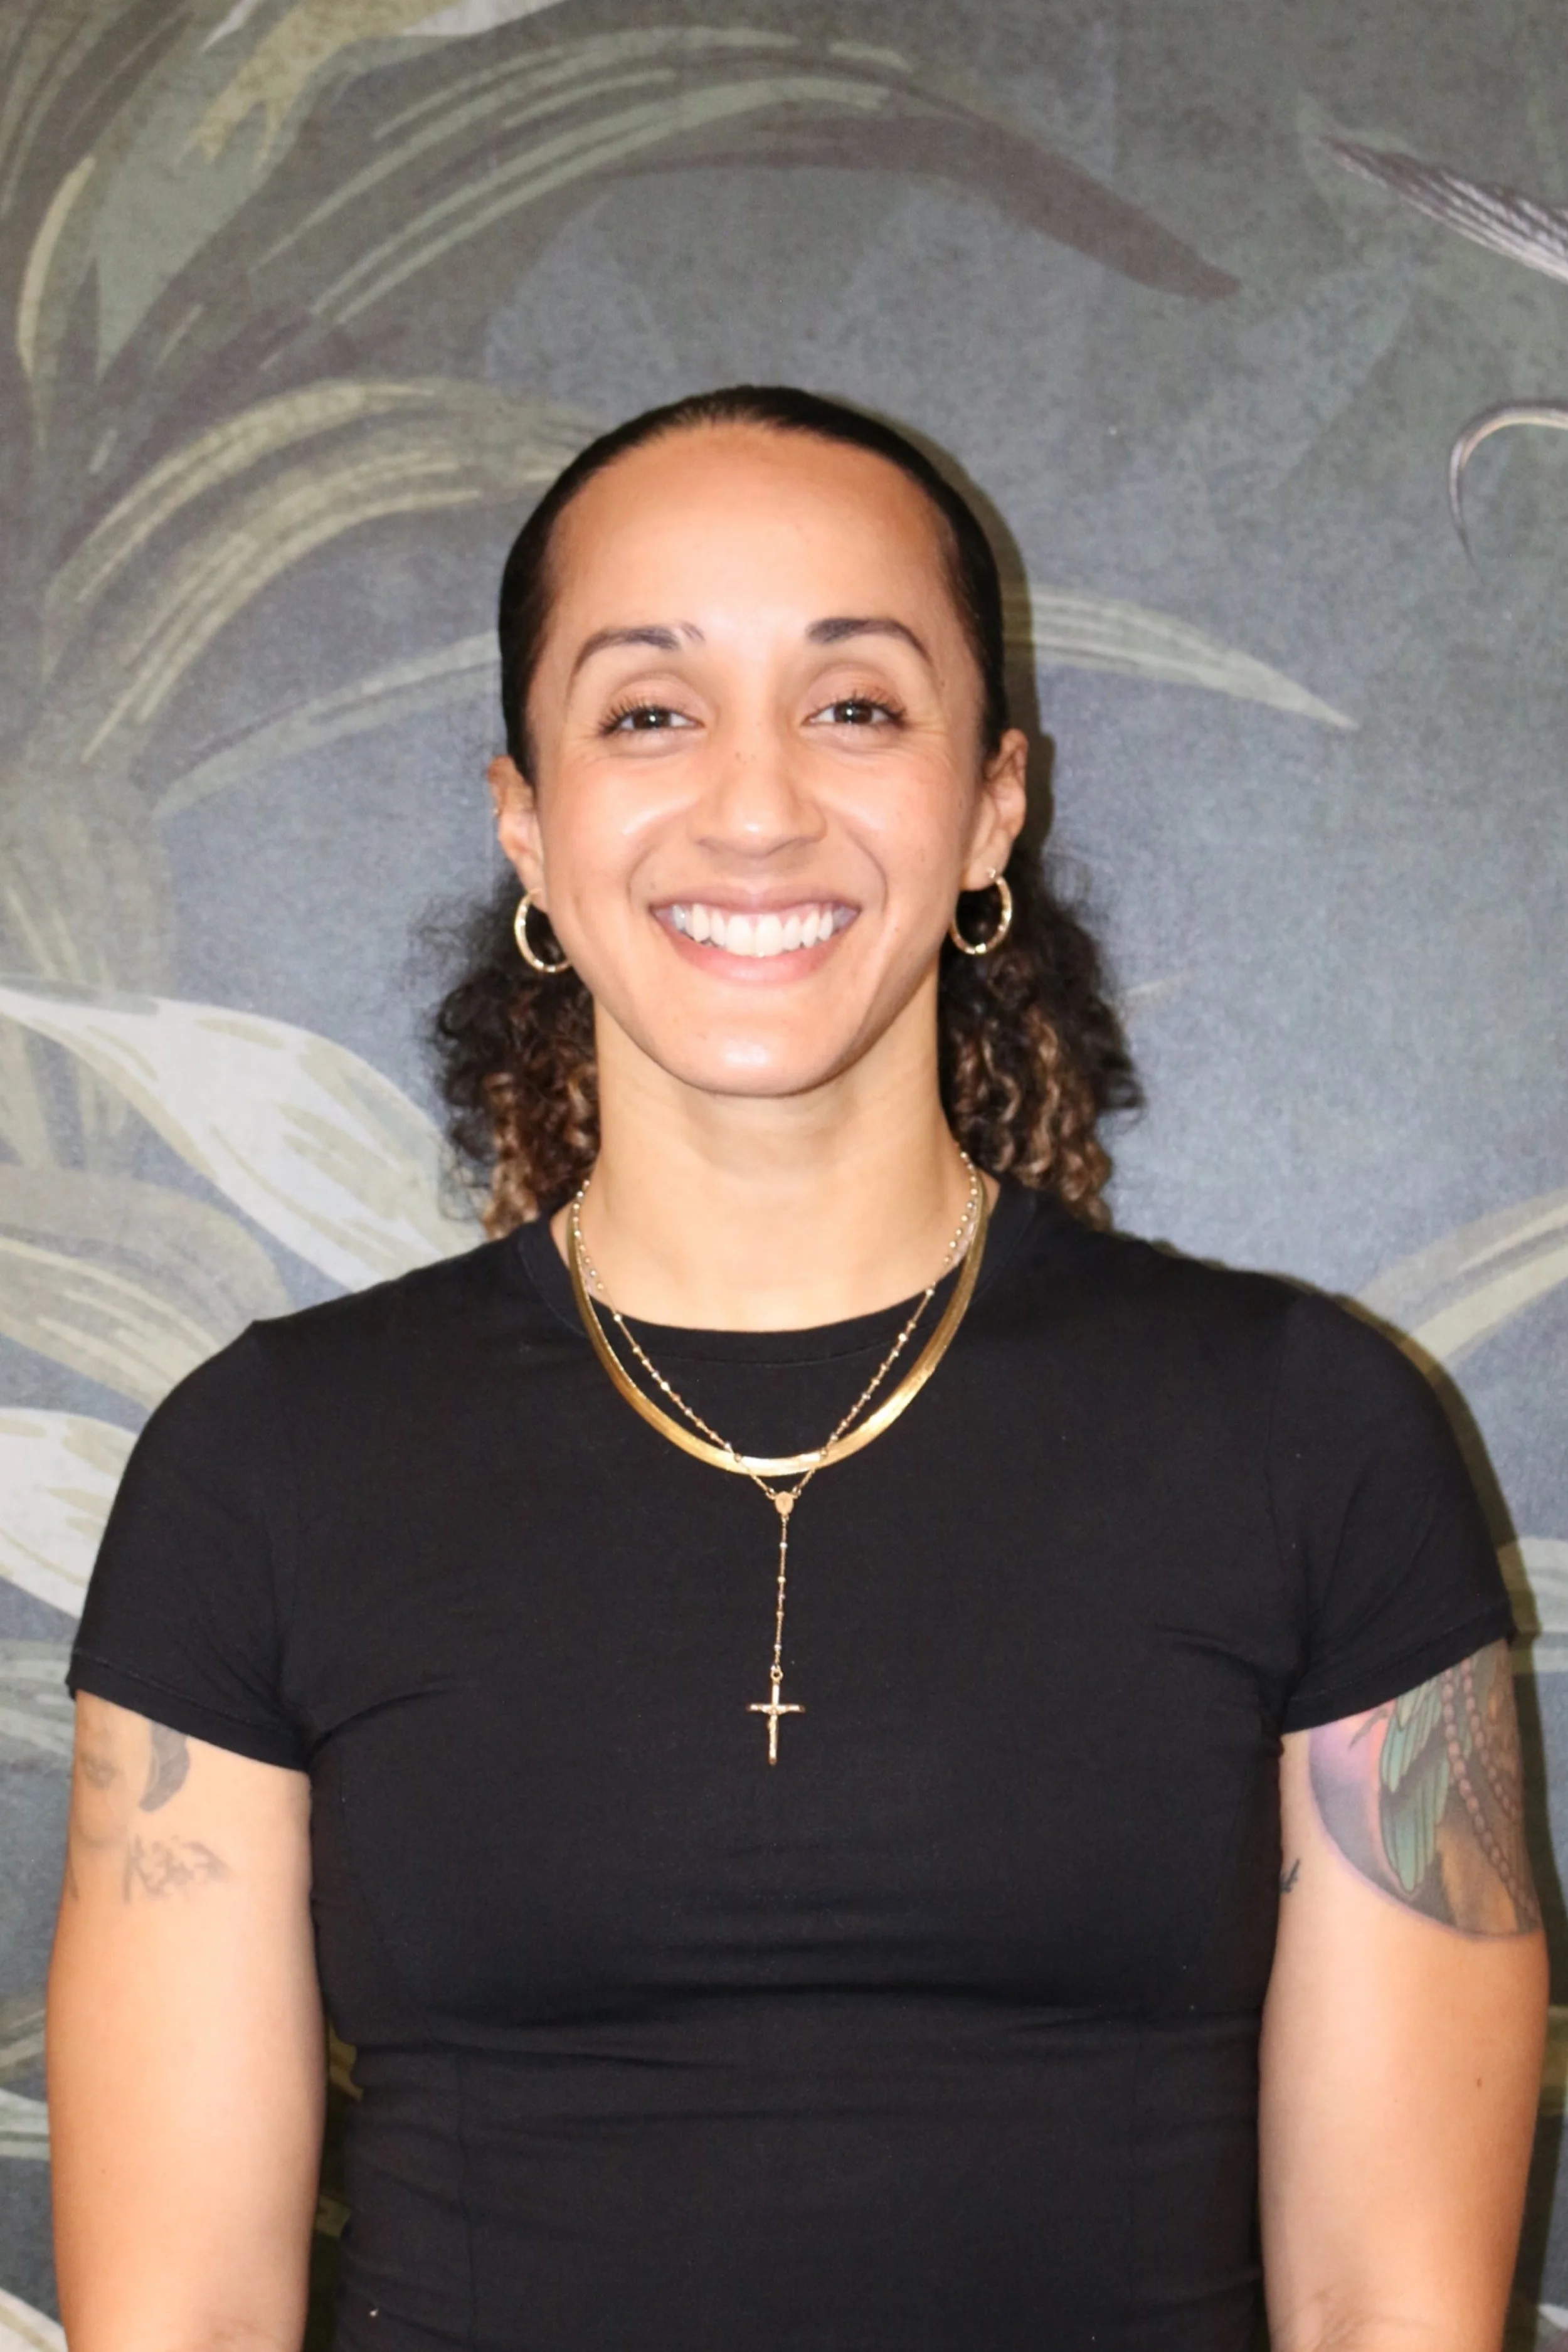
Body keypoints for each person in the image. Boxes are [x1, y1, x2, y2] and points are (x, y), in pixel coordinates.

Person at [48, 385, 1546, 2352]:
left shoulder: (1310, 1434)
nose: (754, 804)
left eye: (855, 704)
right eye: (648, 710)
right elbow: (181, 2324)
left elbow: (1392, 2317)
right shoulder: (264, 1464)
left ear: (993, 800)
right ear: (525, 812)